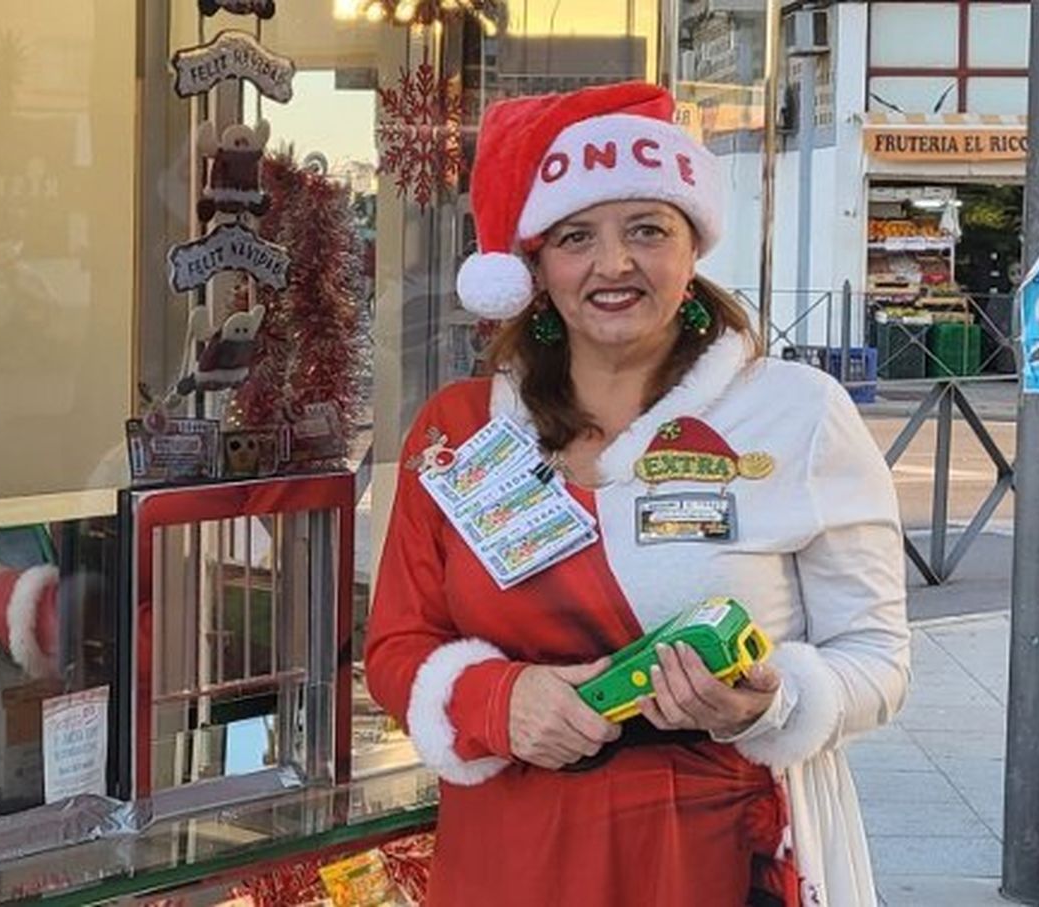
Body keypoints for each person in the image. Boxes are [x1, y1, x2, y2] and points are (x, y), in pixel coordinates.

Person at [365, 82, 909, 906]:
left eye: (648, 229)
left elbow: (877, 658)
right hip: (507, 854)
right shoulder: (459, 431)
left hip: (718, 855)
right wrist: (497, 699)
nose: (613, 264)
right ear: (536, 268)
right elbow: (397, 648)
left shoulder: (797, 412)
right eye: (577, 236)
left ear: (692, 250)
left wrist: (770, 704)